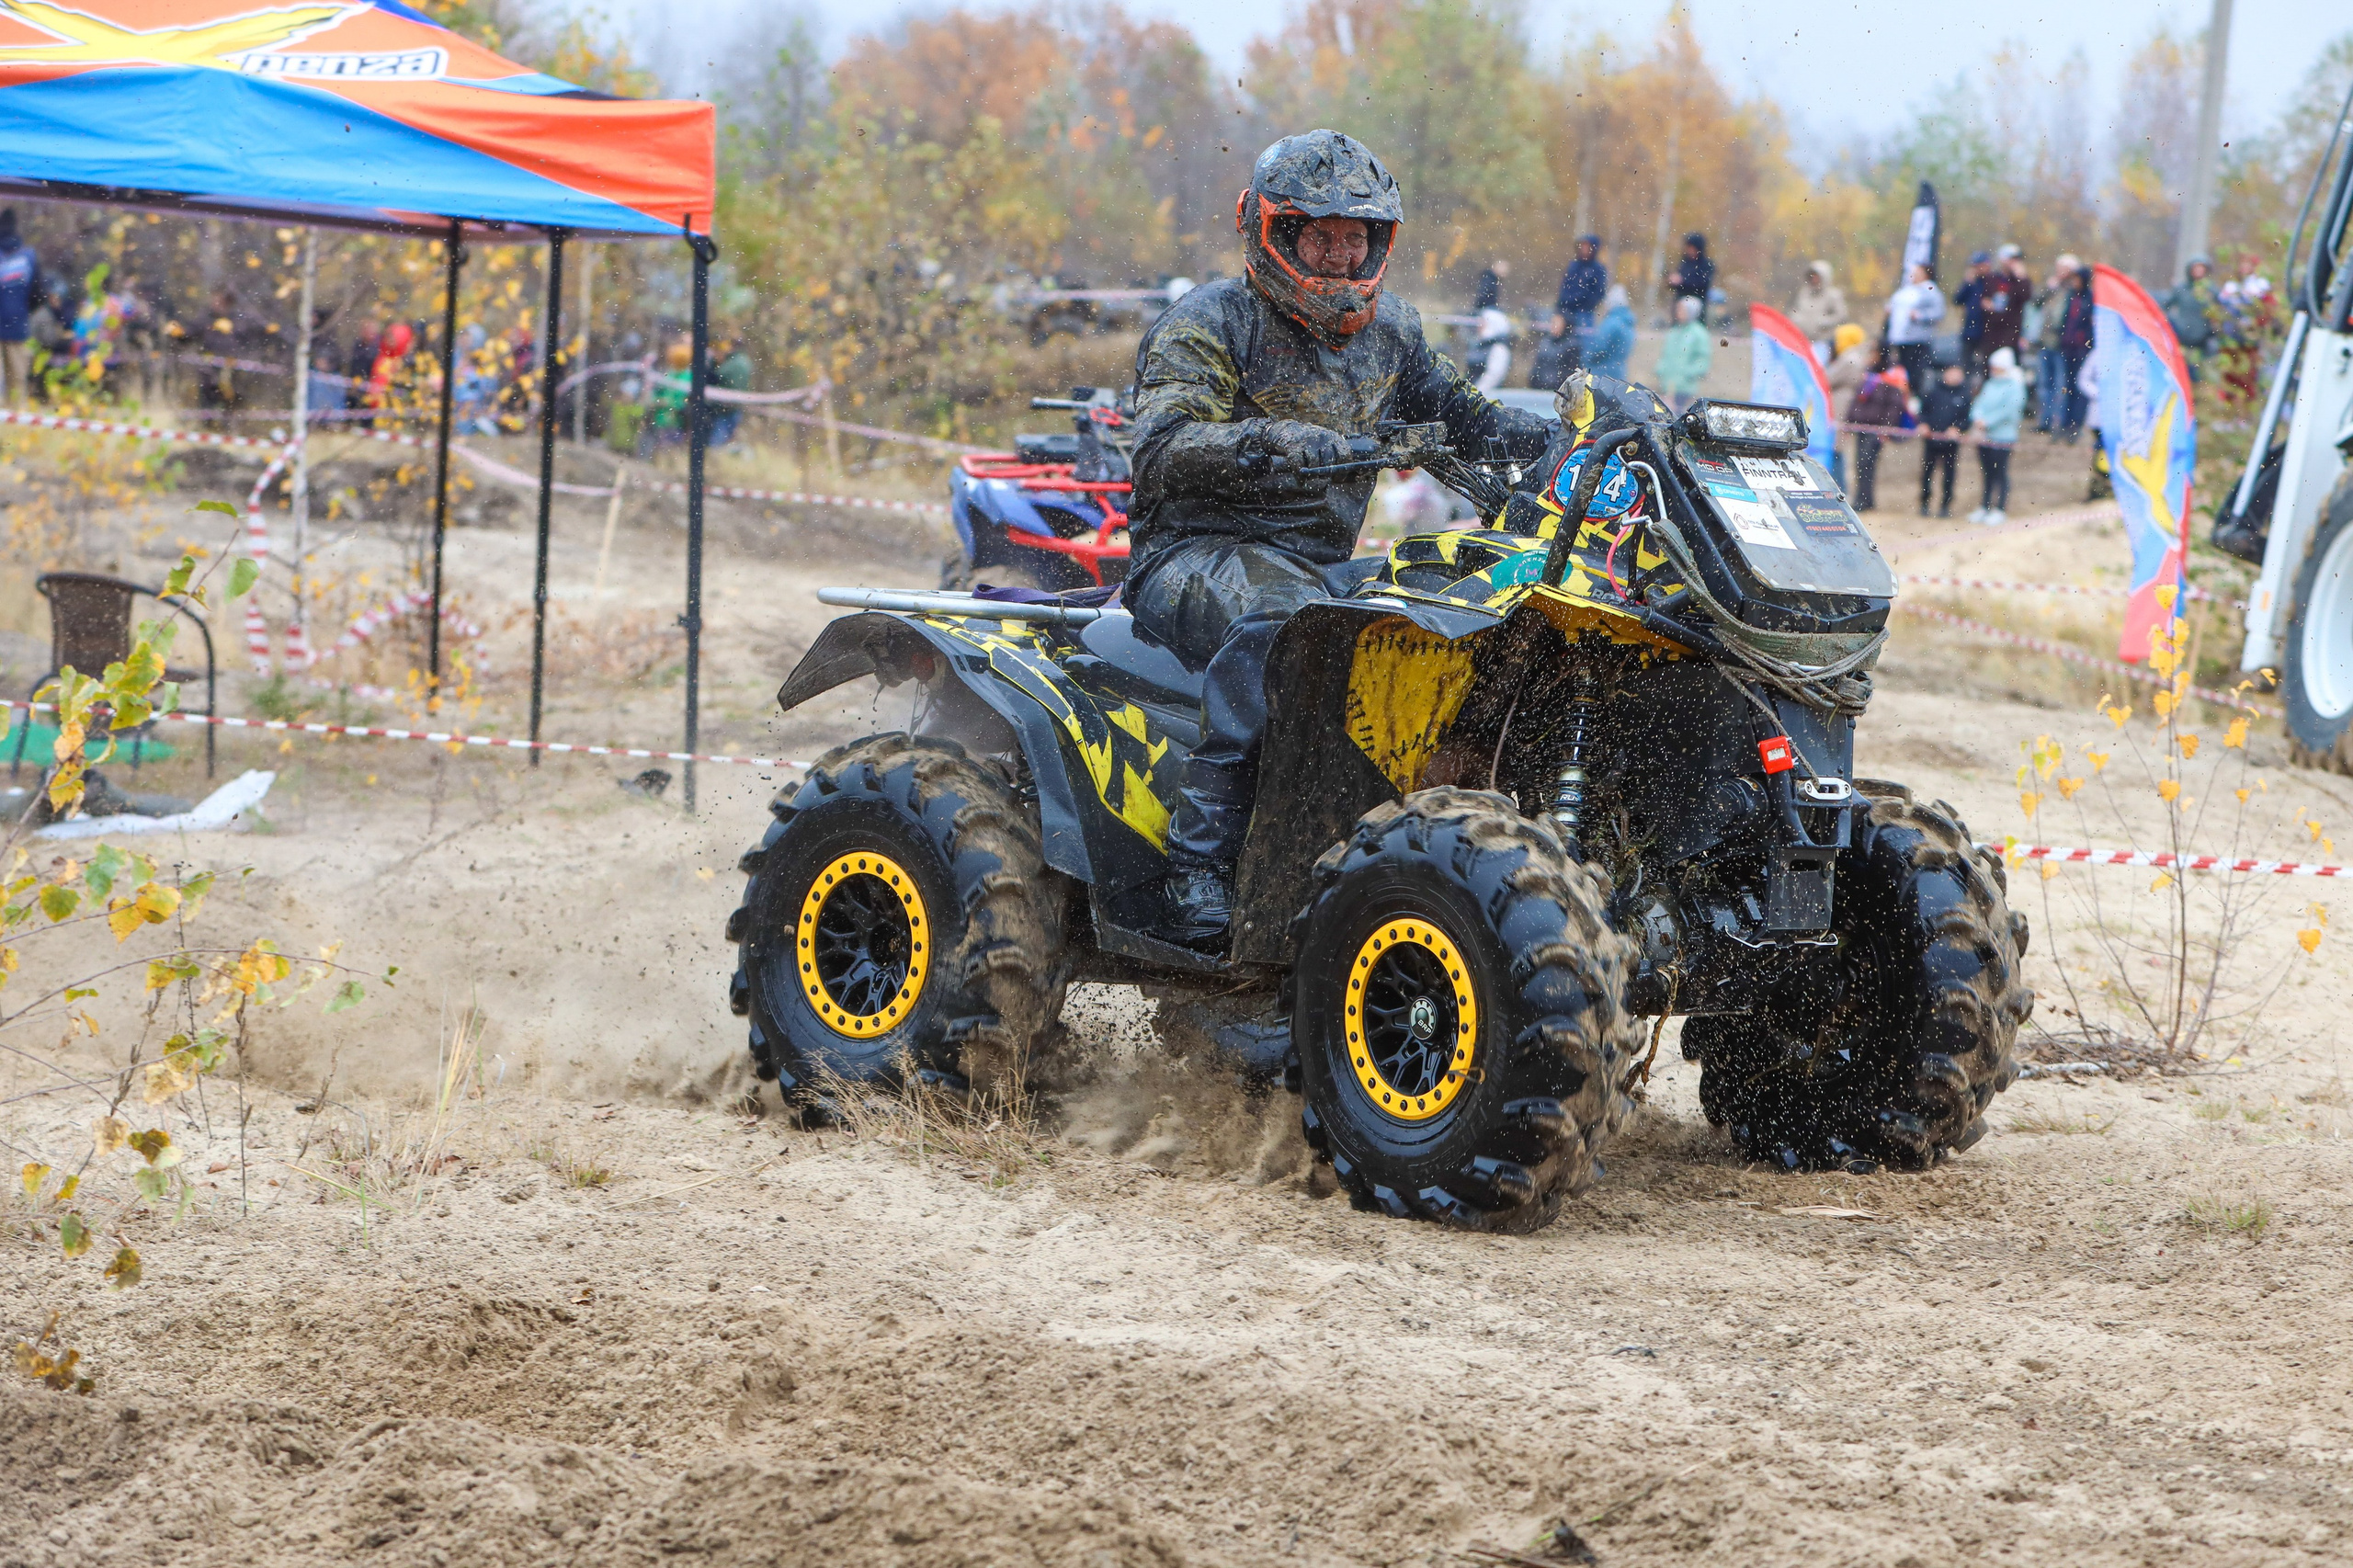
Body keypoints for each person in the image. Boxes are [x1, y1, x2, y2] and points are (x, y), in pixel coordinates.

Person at [1124, 130, 1554, 948]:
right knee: (1288, 626)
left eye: (1355, 238)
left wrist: (1577, 432)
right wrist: (1273, 441)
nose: (1338, 256)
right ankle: (1198, 867)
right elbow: (1160, 450)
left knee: (1457, 610)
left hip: (1319, 565)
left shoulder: (1391, 330)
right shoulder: (1210, 322)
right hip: (1190, 554)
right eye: (1320, 235)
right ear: (1273, 233)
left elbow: (1472, 422)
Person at [1967, 347, 2025, 524]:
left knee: (2000, 473)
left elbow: (2010, 410)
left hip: (2003, 437)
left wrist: (1988, 421)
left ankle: (2000, 507)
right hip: (1985, 436)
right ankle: (1984, 506)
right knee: (1987, 473)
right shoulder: (1990, 384)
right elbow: (1979, 403)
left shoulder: (2015, 386)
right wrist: (1977, 418)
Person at [1845, 364, 1909, 513]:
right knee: (1861, 465)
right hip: (1862, 429)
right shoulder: (1869, 379)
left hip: (1876, 430)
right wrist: (1849, 422)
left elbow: (1894, 407)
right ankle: (1863, 498)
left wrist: (1886, 428)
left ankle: (1864, 499)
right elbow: (1857, 402)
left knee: (1866, 465)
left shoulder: (1891, 380)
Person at [1824, 323, 1872, 490]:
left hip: (1841, 404)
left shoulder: (1849, 358)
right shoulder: (1858, 356)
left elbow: (1827, 378)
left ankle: (1838, 488)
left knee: (1836, 449)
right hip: (1845, 402)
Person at [1917, 360, 1969, 517]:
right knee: (1927, 472)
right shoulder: (1934, 392)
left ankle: (1945, 504)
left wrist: (1958, 428)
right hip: (1931, 440)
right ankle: (1924, 502)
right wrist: (1923, 424)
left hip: (1951, 443)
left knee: (1949, 474)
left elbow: (1967, 418)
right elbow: (1923, 411)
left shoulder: (1964, 395)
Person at [1885, 261, 1945, 395]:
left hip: (1917, 339)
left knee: (1915, 372)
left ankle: (1913, 395)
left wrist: (1919, 315)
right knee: (1901, 369)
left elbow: (1938, 313)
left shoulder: (1930, 290)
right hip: (1900, 338)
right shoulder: (1906, 289)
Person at [0, 209, 39, 409]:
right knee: (17, 384)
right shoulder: (28, 256)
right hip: (18, 328)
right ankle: (15, 428)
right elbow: (37, 294)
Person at [2162, 256, 2218, 382]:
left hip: (2202, 344)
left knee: (2200, 378)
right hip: (2182, 342)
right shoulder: (2181, 290)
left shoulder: (2211, 291)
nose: (2198, 271)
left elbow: (2219, 314)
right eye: (2195, 268)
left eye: (2201, 268)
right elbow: (2165, 306)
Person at [2056, 265, 2096, 441]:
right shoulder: (2072, 297)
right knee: (2068, 387)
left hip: (2082, 349)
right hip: (2069, 347)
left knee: (2080, 387)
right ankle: (2065, 423)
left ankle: (2075, 424)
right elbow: (2066, 319)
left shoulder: (2091, 299)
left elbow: (2088, 324)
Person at [1655, 294, 1712, 415]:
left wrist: (1686, 373)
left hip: (1685, 388)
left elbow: (1703, 360)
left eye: (1682, 309)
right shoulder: (1674, 331)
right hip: (1667, 385)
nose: (1678, 312)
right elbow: (1666, 355)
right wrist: (1660, 370)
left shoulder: (1699, 333)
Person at [1979, 247, 2029, 375]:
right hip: (1992, 330)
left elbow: (2026, 297)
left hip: (2011, 331)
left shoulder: (2019, 280)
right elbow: (1983, 297)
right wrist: (1987, 304)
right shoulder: (1992, 278)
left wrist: (2022, 278)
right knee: (1990, 364)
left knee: (2009, 363)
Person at [1788, 261, 1846, 360]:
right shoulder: (1804, 294)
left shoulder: (1832, 295)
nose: (1814, 279)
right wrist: (1796, 319)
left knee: (1818, 365)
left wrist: (1825, 322)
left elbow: (1841, 316)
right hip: (1802, 340)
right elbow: (1795, 310)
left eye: (1817, 276)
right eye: (1812, 276)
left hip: (1823, 341)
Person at [1550, 236, 1606, 336]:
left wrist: (1582, 303)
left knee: (1585, 342)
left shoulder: (1597, 269)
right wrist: (1561, 306)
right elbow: (1564, 287)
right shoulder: (1573, 266)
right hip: (1565, 311)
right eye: (1582, 246)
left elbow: (1598, 292)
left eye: (1587, 246)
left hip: (1584, 313)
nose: (1584, 249)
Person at [1580, 284, 1635, 381]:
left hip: (1601, 374)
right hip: (1620, 374)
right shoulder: (1628, 323)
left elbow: (1599, 347)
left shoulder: (1611, 323)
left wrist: (1585, 358)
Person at [1955, 252, 1993, 379]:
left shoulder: (1991, 282)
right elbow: (1957, 300)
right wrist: (1967, 283)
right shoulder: (1972, 283)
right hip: (1970, 329)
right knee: (1966, 363)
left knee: (1984, 364)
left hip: (1986, 330)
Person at [1665, 233, 1713, 317]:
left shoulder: (1706, 265)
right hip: (1679, 306)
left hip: (1697, 306)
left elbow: (1703, 283)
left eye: (1691, 247)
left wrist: (1683, 281)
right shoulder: (1684, 263)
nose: (1689, 250)